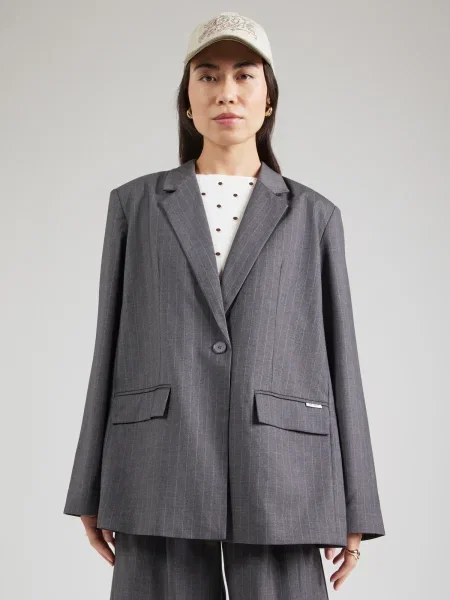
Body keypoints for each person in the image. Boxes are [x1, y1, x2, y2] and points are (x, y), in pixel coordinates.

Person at [63, 11, 385, 599]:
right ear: (187, 101)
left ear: (268, 100)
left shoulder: (314, 216)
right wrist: (89, 484)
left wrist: (356, 503)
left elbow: (343, 360)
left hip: (282, 467)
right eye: (208, 76)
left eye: (244, 75)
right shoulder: (136, 206)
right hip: (158, 459)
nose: (226, 92)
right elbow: (107, 346)